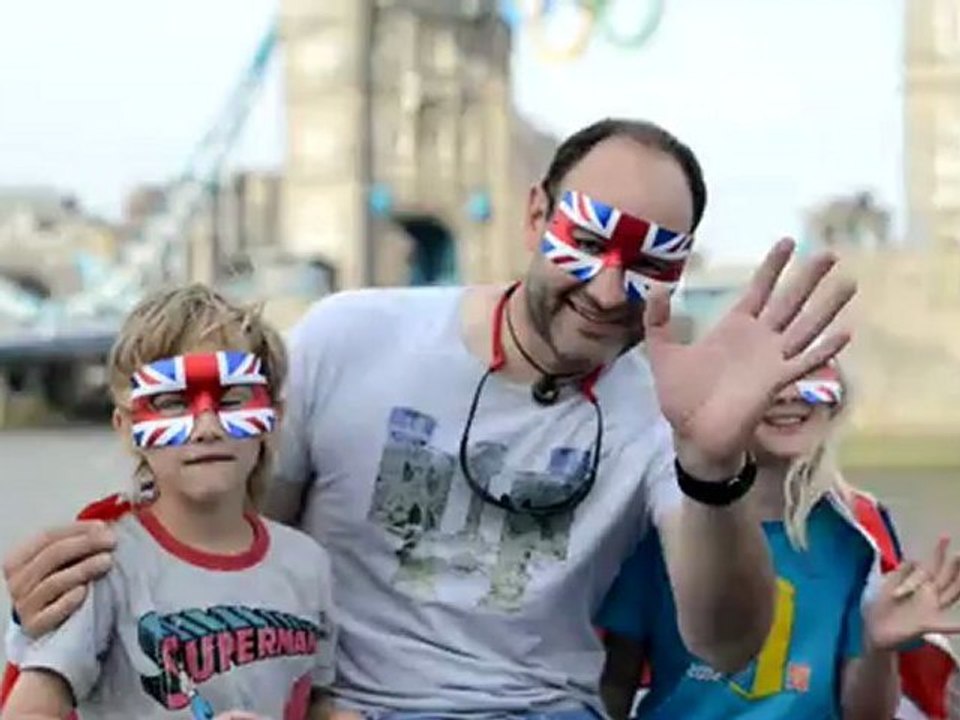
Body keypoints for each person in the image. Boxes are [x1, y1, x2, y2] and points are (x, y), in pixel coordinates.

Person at [3, 118, 857, 717]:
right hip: (351, 705)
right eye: (588, 242)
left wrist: (711, 461)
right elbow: (226, 539)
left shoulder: (662, 406)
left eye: (649, 262)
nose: (606, 291)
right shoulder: (349, 336)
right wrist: (80, 594)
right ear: (535, 214)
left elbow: (730, 643)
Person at [1, 286, 338, 720]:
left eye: (233, 400)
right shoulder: (103, 567)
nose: (206, 427)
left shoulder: (308, 565)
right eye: (173, 403)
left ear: (274, 417)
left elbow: (320, 699)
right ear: (126, 427)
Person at [597, 361, 960, 719]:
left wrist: (877, 646)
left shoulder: (858, 531)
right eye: (769, 372)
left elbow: (866, 713)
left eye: (812, 371)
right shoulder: (670, 522)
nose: (789, 394)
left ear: (838, 396)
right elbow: (615, 681)